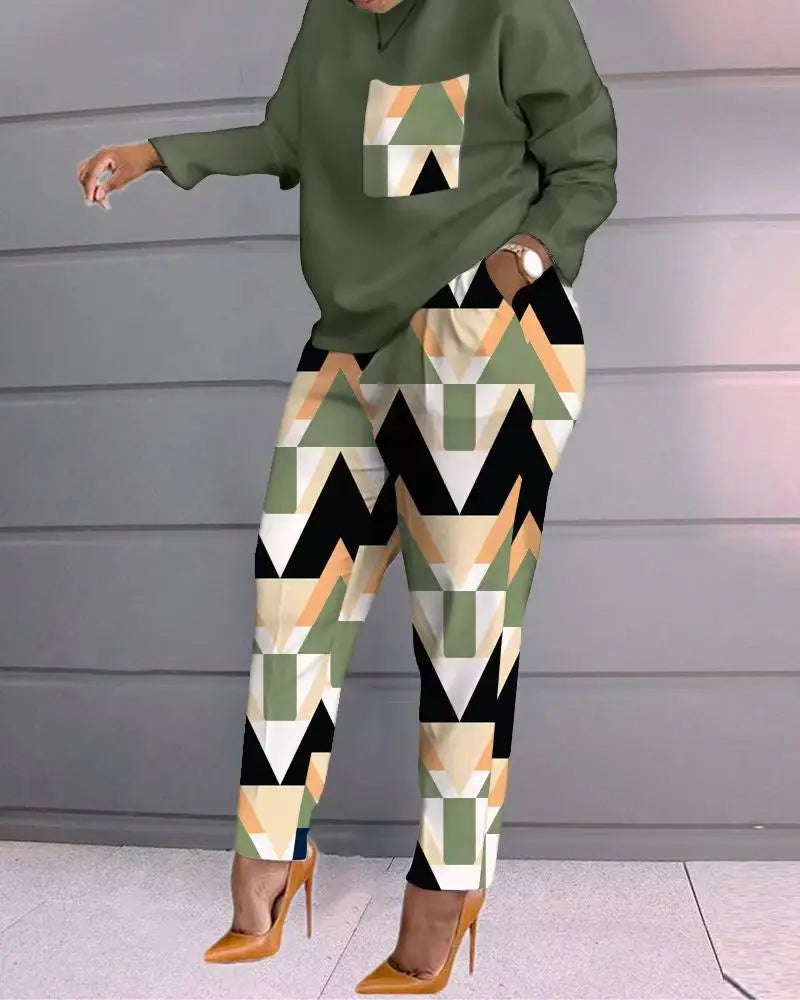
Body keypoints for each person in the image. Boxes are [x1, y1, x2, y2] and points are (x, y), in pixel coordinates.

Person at [77, 0, 617, 992]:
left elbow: (585, 158)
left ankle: (448, 884)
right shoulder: (329, 15)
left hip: (478, 342)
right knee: (292, 604)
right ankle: (271, 855)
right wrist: (155, 154)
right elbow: (288, 134)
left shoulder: (509, 8)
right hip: (348, 343)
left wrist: (518, 265)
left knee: (464, 629)